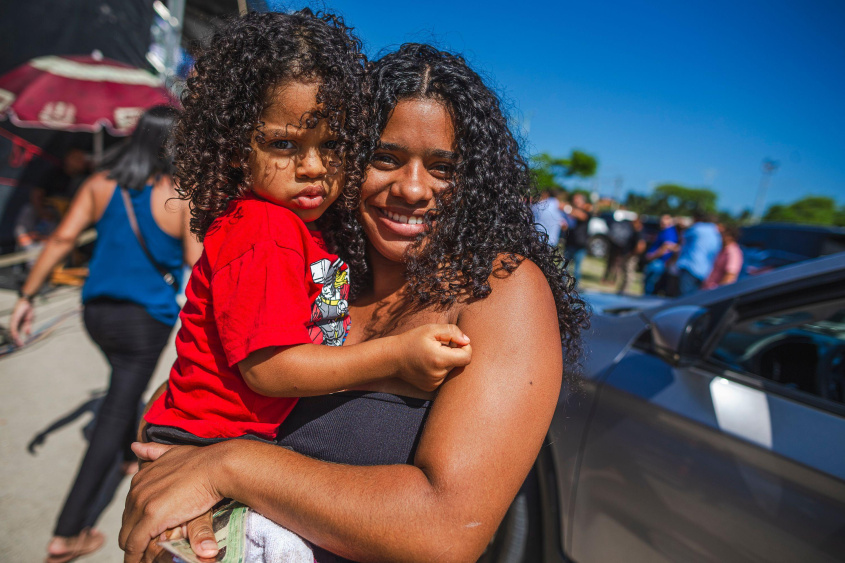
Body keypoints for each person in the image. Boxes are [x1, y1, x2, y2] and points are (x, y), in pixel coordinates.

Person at [120, 42, 589, 563]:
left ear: (476, 182)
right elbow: (188, 388)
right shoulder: (320, 265)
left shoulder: (499, 291)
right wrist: (171, 482)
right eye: (385, 158)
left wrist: (225, 469)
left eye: (443, 168)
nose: (412, 189)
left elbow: (445, 532)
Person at [144, 11, 470, 453]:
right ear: (237, 146)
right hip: (201, 443)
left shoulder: (298, 228)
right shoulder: (264, 229)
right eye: (284, 144)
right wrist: (397, 356)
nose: (313, 166)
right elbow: (270, 370)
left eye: (333, 145)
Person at [8, 105, 202, 563]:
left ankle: (120, 451)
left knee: (121, 390)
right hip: (144, 323)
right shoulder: (180, 195)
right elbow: (198, 262)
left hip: (96, 314)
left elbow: (60, 240)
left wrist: (26, 297)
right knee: (119, 407)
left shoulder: (100, 185)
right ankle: (66, 533)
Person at [674, 210, 721, 296]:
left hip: (691, 267)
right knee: (694, 297)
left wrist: (681, 225)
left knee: (684, 297)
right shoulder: (716, 233)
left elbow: (682, 237)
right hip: (705, 271)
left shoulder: (697, 228)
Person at [642, 214, 678, 295]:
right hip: (657, 262)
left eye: (664, 221)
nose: (661, 223)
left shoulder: (668, 232)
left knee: (650, 286)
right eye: (661, 221)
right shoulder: (664, 231)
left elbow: (667, 246)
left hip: (658, 262)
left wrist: (652, 256)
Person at [702, 224, 743, 289]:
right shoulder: (724, 249)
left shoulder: (733, 252)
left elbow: (730, 276)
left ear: (730, 237)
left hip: (713, 294)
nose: (720, 237)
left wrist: (717, 293)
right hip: (708, 289)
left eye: (722, 234)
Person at [563, 192, 592, 282]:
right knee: (564, 268)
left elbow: (581, 216)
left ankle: (575, 289)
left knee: (577, 270)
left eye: (577, 200)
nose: (575, 201)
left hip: (580, 245)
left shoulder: (586, 211)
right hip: (569, 243)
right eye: (574, 199)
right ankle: (561, 286)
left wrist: (567, 208)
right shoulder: (571, 212)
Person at [616, 217, 646, 295]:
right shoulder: (634, 231)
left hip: (631, 256)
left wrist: (632, 254)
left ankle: (625, 291)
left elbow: (641, 245)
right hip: (628, 255)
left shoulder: (639, 232)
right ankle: (622, 290)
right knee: (624, 273)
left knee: (628, 274)